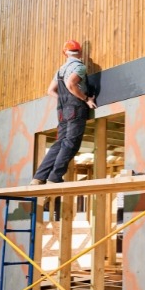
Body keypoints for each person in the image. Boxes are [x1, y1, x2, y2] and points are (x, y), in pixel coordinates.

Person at [30, 40, 97, 184]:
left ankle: (39, 177)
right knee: (71, 143)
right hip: (75, 108)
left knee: (60, 142)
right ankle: (54, 177)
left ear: (64, 53)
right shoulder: (79, 67)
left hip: (62, 110)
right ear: (80, 52)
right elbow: (71, 84)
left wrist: (64, 99)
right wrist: (86, 99)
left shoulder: (60, 70)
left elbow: (50, 91)